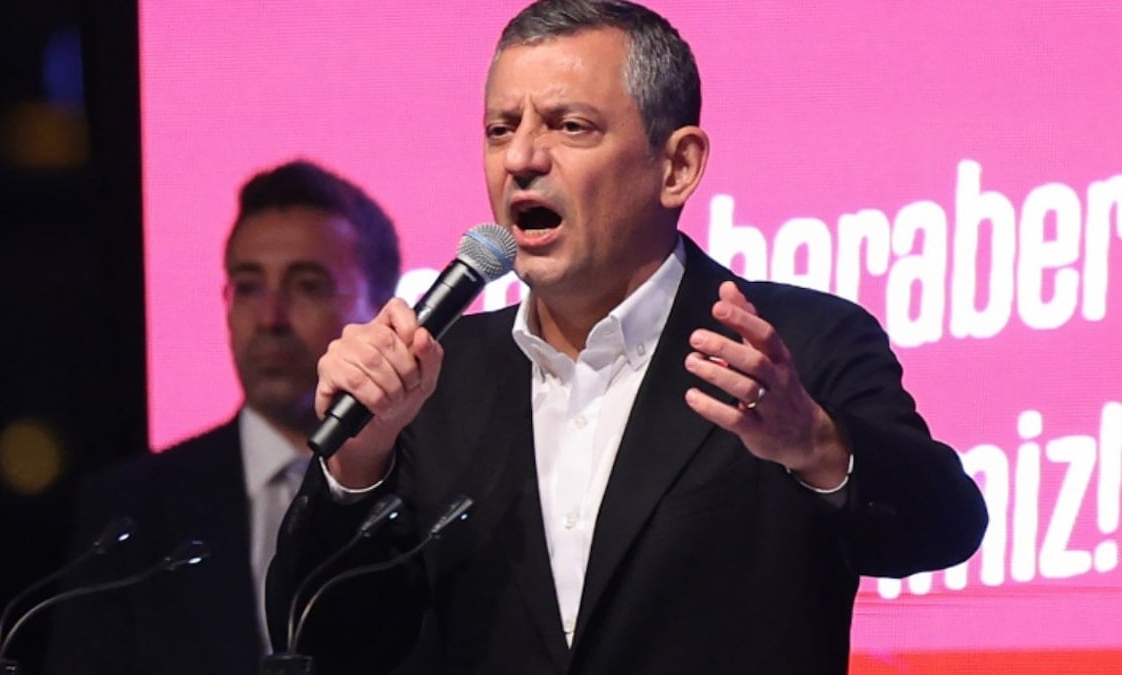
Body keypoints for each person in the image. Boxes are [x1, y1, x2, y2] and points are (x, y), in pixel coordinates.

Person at [267, 1, 988, 673]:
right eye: (501, 129)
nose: (521, 158)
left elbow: (944, 529)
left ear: (677, 166)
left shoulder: (799, 346)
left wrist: (815, 444)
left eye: (569, 126)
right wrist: (358, 465)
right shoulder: (436, 381)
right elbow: (329, 644)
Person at [44, 159, 401, 675]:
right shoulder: (128, 514)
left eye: (307, 285)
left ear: (383, 311)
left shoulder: (434, 493)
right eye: (249, 286)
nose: (270, 318)